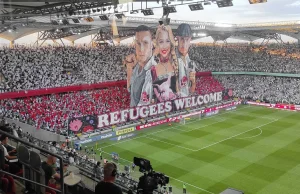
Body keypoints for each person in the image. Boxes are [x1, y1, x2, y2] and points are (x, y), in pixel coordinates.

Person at [124, 25, 157, 107]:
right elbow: (130, 89)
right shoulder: (137, 67)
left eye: (145, 43)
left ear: (152, 44)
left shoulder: (156, 72)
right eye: (138, 43)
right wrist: (129, 68)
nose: (141, 49)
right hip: (134, 117)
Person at [149, 24, 179, 103]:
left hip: (176, 108)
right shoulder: (152, 67)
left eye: (168, 41)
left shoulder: (175, 63)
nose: (165, 46)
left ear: (171, 43)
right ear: (157, 44)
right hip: (160, 110)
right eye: (161, 41)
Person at [176, 23, 196, 97]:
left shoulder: (191, 62)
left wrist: (193, 82)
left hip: (185, 102)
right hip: (174, 103)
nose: (184, 43)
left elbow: (192, 90)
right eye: (181, 39)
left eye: (187, 39)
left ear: (190, 40)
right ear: (177, 39)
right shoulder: (172, 59)